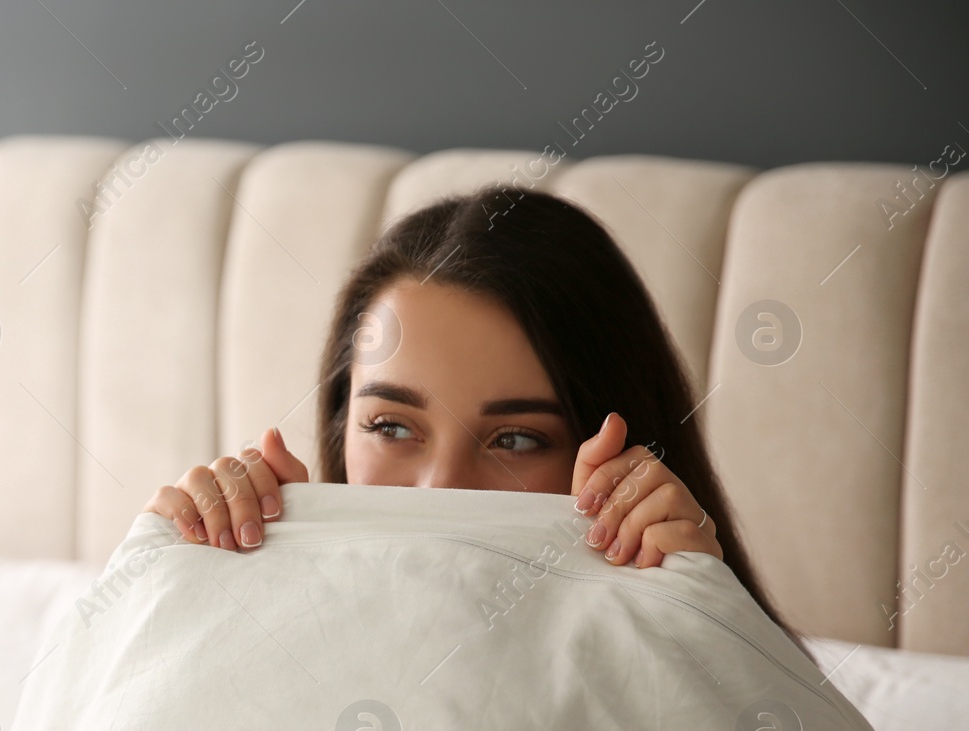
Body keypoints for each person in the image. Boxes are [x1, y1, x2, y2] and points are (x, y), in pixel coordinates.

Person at [144, 186, 791, 632]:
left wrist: (706, 617)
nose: (440, 489)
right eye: (392, 427)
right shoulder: (267, 614)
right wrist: (177, 584)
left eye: (514, 440)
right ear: (340, 435)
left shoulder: (690, 636)